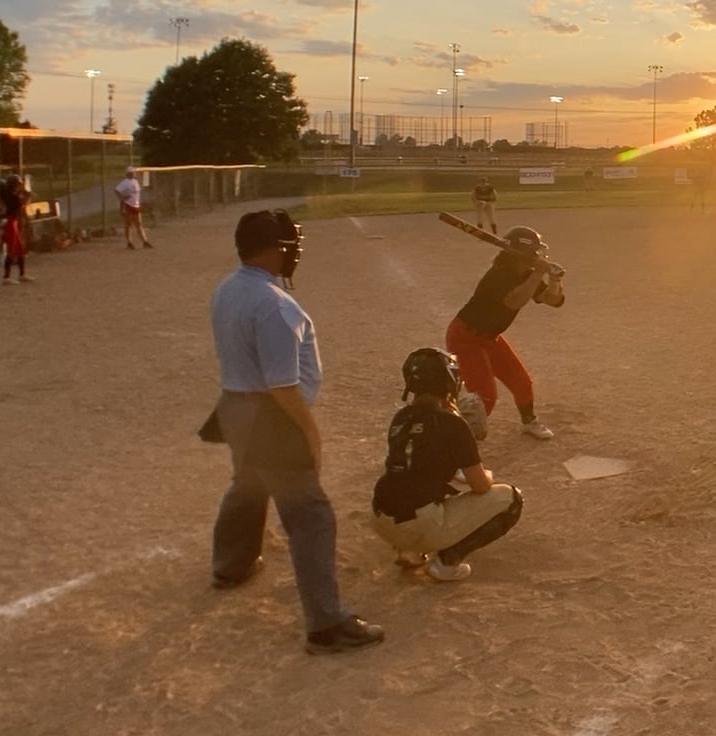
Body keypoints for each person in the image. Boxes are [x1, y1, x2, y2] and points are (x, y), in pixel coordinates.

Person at [207, 209, 384, 655]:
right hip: (270, 415)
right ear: (275, 250)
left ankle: (231, 565)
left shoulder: (228, 288)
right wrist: (310, 433)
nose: (294, 253)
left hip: (235, 406)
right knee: (310, 515)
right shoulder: (276, 305)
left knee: (248, 484)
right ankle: (326, 625)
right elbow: (282, 386)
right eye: (289, 246)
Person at [369, 348, 524, 582]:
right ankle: (446, 563)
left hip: (380, 518)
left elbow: (415, 466)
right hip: (419, 524)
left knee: (412, 488)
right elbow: (480, 485)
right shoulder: (452, 423)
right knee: (512, 500)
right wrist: (488, 474)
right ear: (446, 381)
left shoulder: (400, 418)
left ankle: (408, 551)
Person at [445, 225, 566, 441]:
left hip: (490, 337)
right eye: (534, 252)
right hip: (466, 337)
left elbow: (553, 300)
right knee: (485, 397)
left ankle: (529, 421)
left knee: (521, 382)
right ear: (523, 253)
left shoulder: (525, 273)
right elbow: (514, 301)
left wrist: (555, 280)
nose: (538, 255)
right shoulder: (499, 274)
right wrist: (539, 273)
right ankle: (455, 440)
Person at [0, 174, 30, 285]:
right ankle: (6, 277)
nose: (19, 187)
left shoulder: (7, 194)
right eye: (17, 185)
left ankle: (22, 274)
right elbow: (22, 204)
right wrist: (27, 196)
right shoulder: (12, 197)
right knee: (11, 250)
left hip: (13, 222)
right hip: (10, 223)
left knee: (20, 248)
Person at [114, 167, 152, 249]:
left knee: (139, 224)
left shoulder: (135, 181)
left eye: (134, 172)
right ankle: (129, 242)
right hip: (128, 205)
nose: (134, 174)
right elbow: (117, 190)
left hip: (136, 205)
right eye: (132, 172)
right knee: (128, 224)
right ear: (128, 173)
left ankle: (144, 241)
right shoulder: (125, 182)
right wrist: (122, 198)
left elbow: (136, 194)